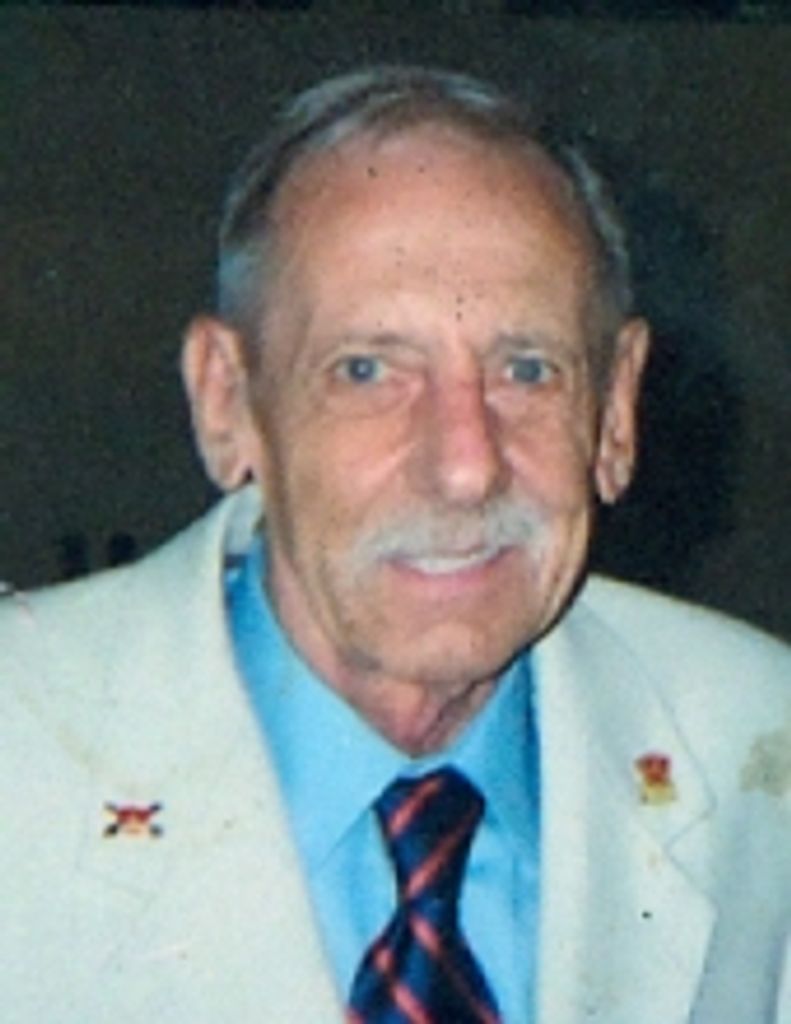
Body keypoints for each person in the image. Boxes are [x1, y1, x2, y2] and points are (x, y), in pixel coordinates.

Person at [1, 66, 789, 1024]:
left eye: (526, 369)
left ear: (615, 409)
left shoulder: (759, 746)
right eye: (367, 370)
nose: (465, 467)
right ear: (226, 401)